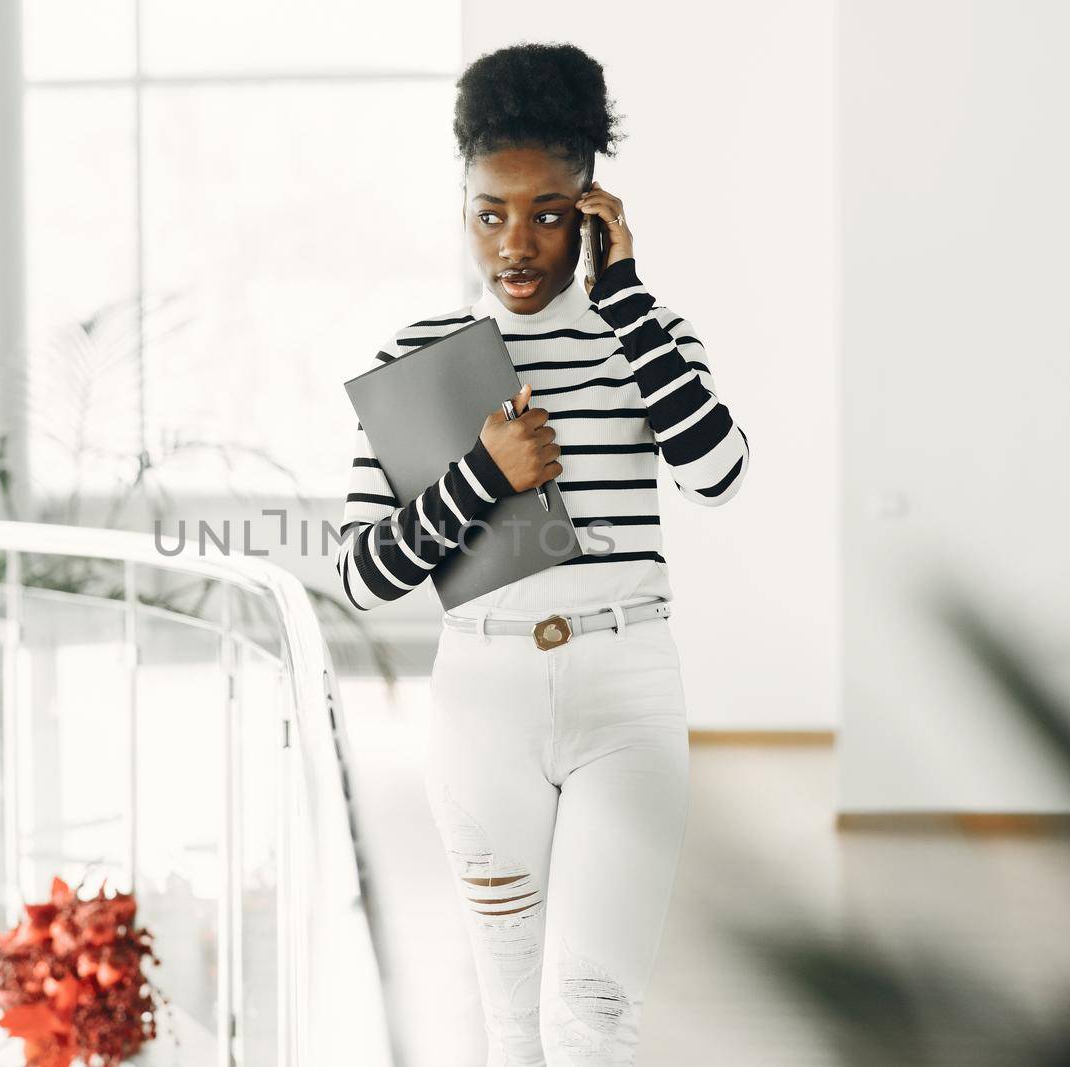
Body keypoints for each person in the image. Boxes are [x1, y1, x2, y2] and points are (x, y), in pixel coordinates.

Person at [334, 41, 749, 1065]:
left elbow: (721, 468)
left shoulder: (647, 335)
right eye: (490, 212)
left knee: (592, 1011)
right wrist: (482, 473)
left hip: (625, 690)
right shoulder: (418, 357)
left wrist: (628, 305)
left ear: (592, 208)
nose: (514, 243)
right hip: (481, 695)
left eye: (547, 212)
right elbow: (358, 572)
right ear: (464, 205)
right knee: (511, 1022)